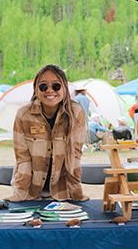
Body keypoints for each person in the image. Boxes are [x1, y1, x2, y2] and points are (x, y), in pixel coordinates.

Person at [7, 64, 89, 202]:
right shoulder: (23, 115)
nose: (50, 91)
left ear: (64, 88)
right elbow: (23, 159)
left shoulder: (76, 113)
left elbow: (74, 156)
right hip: (31, 193)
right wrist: (20, 194)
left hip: (63, 193)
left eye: (56, 86)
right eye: (43, 86)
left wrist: (76, 193)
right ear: (36, 90)